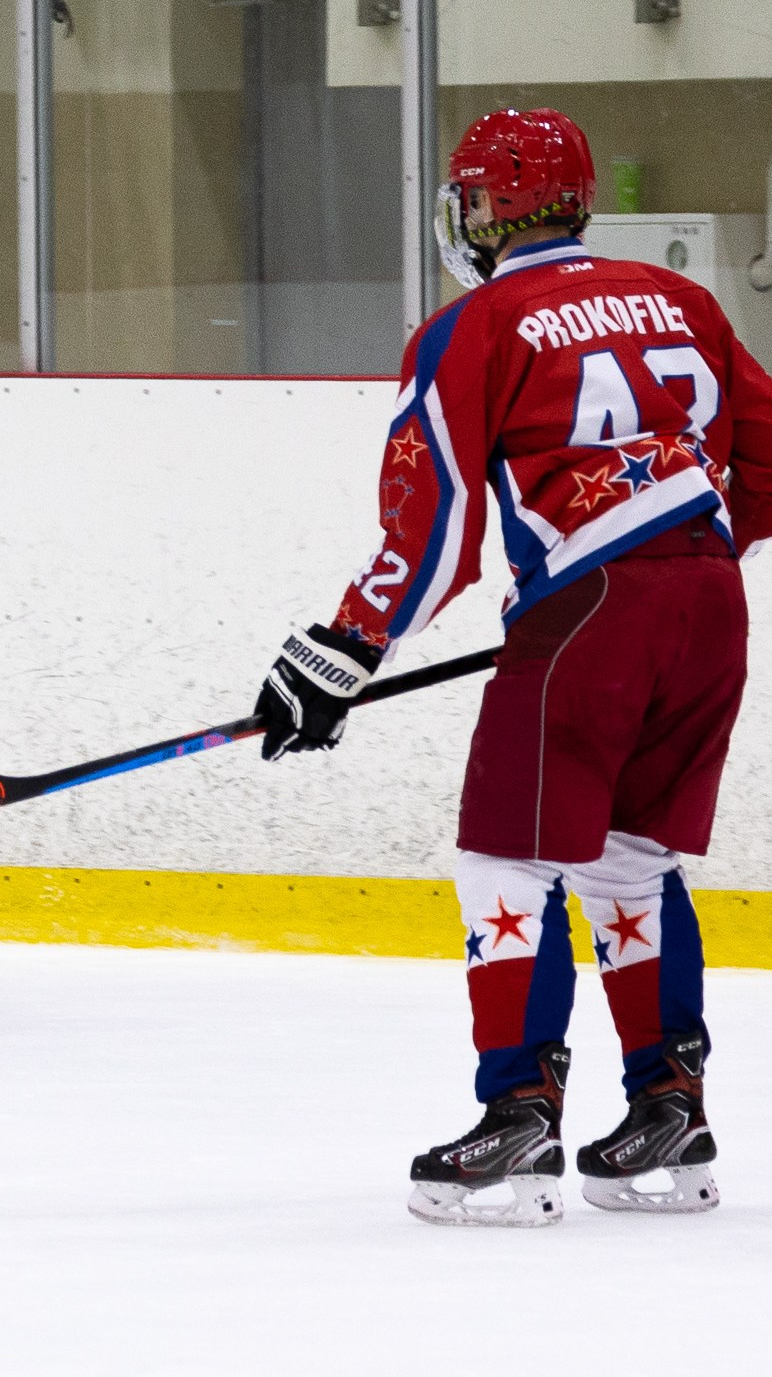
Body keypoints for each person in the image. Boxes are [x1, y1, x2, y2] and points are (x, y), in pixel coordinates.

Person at [253, 107, 771, 1226]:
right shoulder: (682, 299)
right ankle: (669, 1114)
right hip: (709, 601)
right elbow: (766, 461)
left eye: (474, 195)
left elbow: (433, 530)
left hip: (590, 614)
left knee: (506, 859)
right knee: (633, 861)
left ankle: (519, 1118)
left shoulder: (474, 326)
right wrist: (672, 565)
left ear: (493, 207)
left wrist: (345, 646)